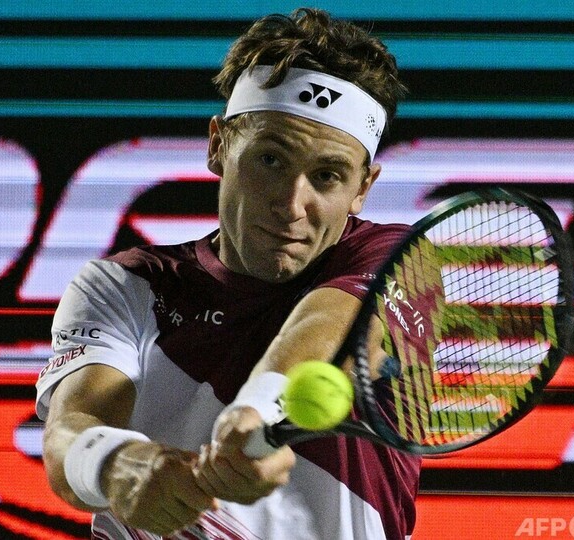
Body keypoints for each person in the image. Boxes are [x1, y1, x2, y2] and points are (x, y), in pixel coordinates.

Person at [36, 8, 430, 539]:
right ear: (219, 145)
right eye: (270, 160)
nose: (292, 205)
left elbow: (327, 328)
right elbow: (69, 432)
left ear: (363, 187)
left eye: (327, 176)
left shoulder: (402, 259)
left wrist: (255, 410)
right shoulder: (125, 286)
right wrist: (115, 464)